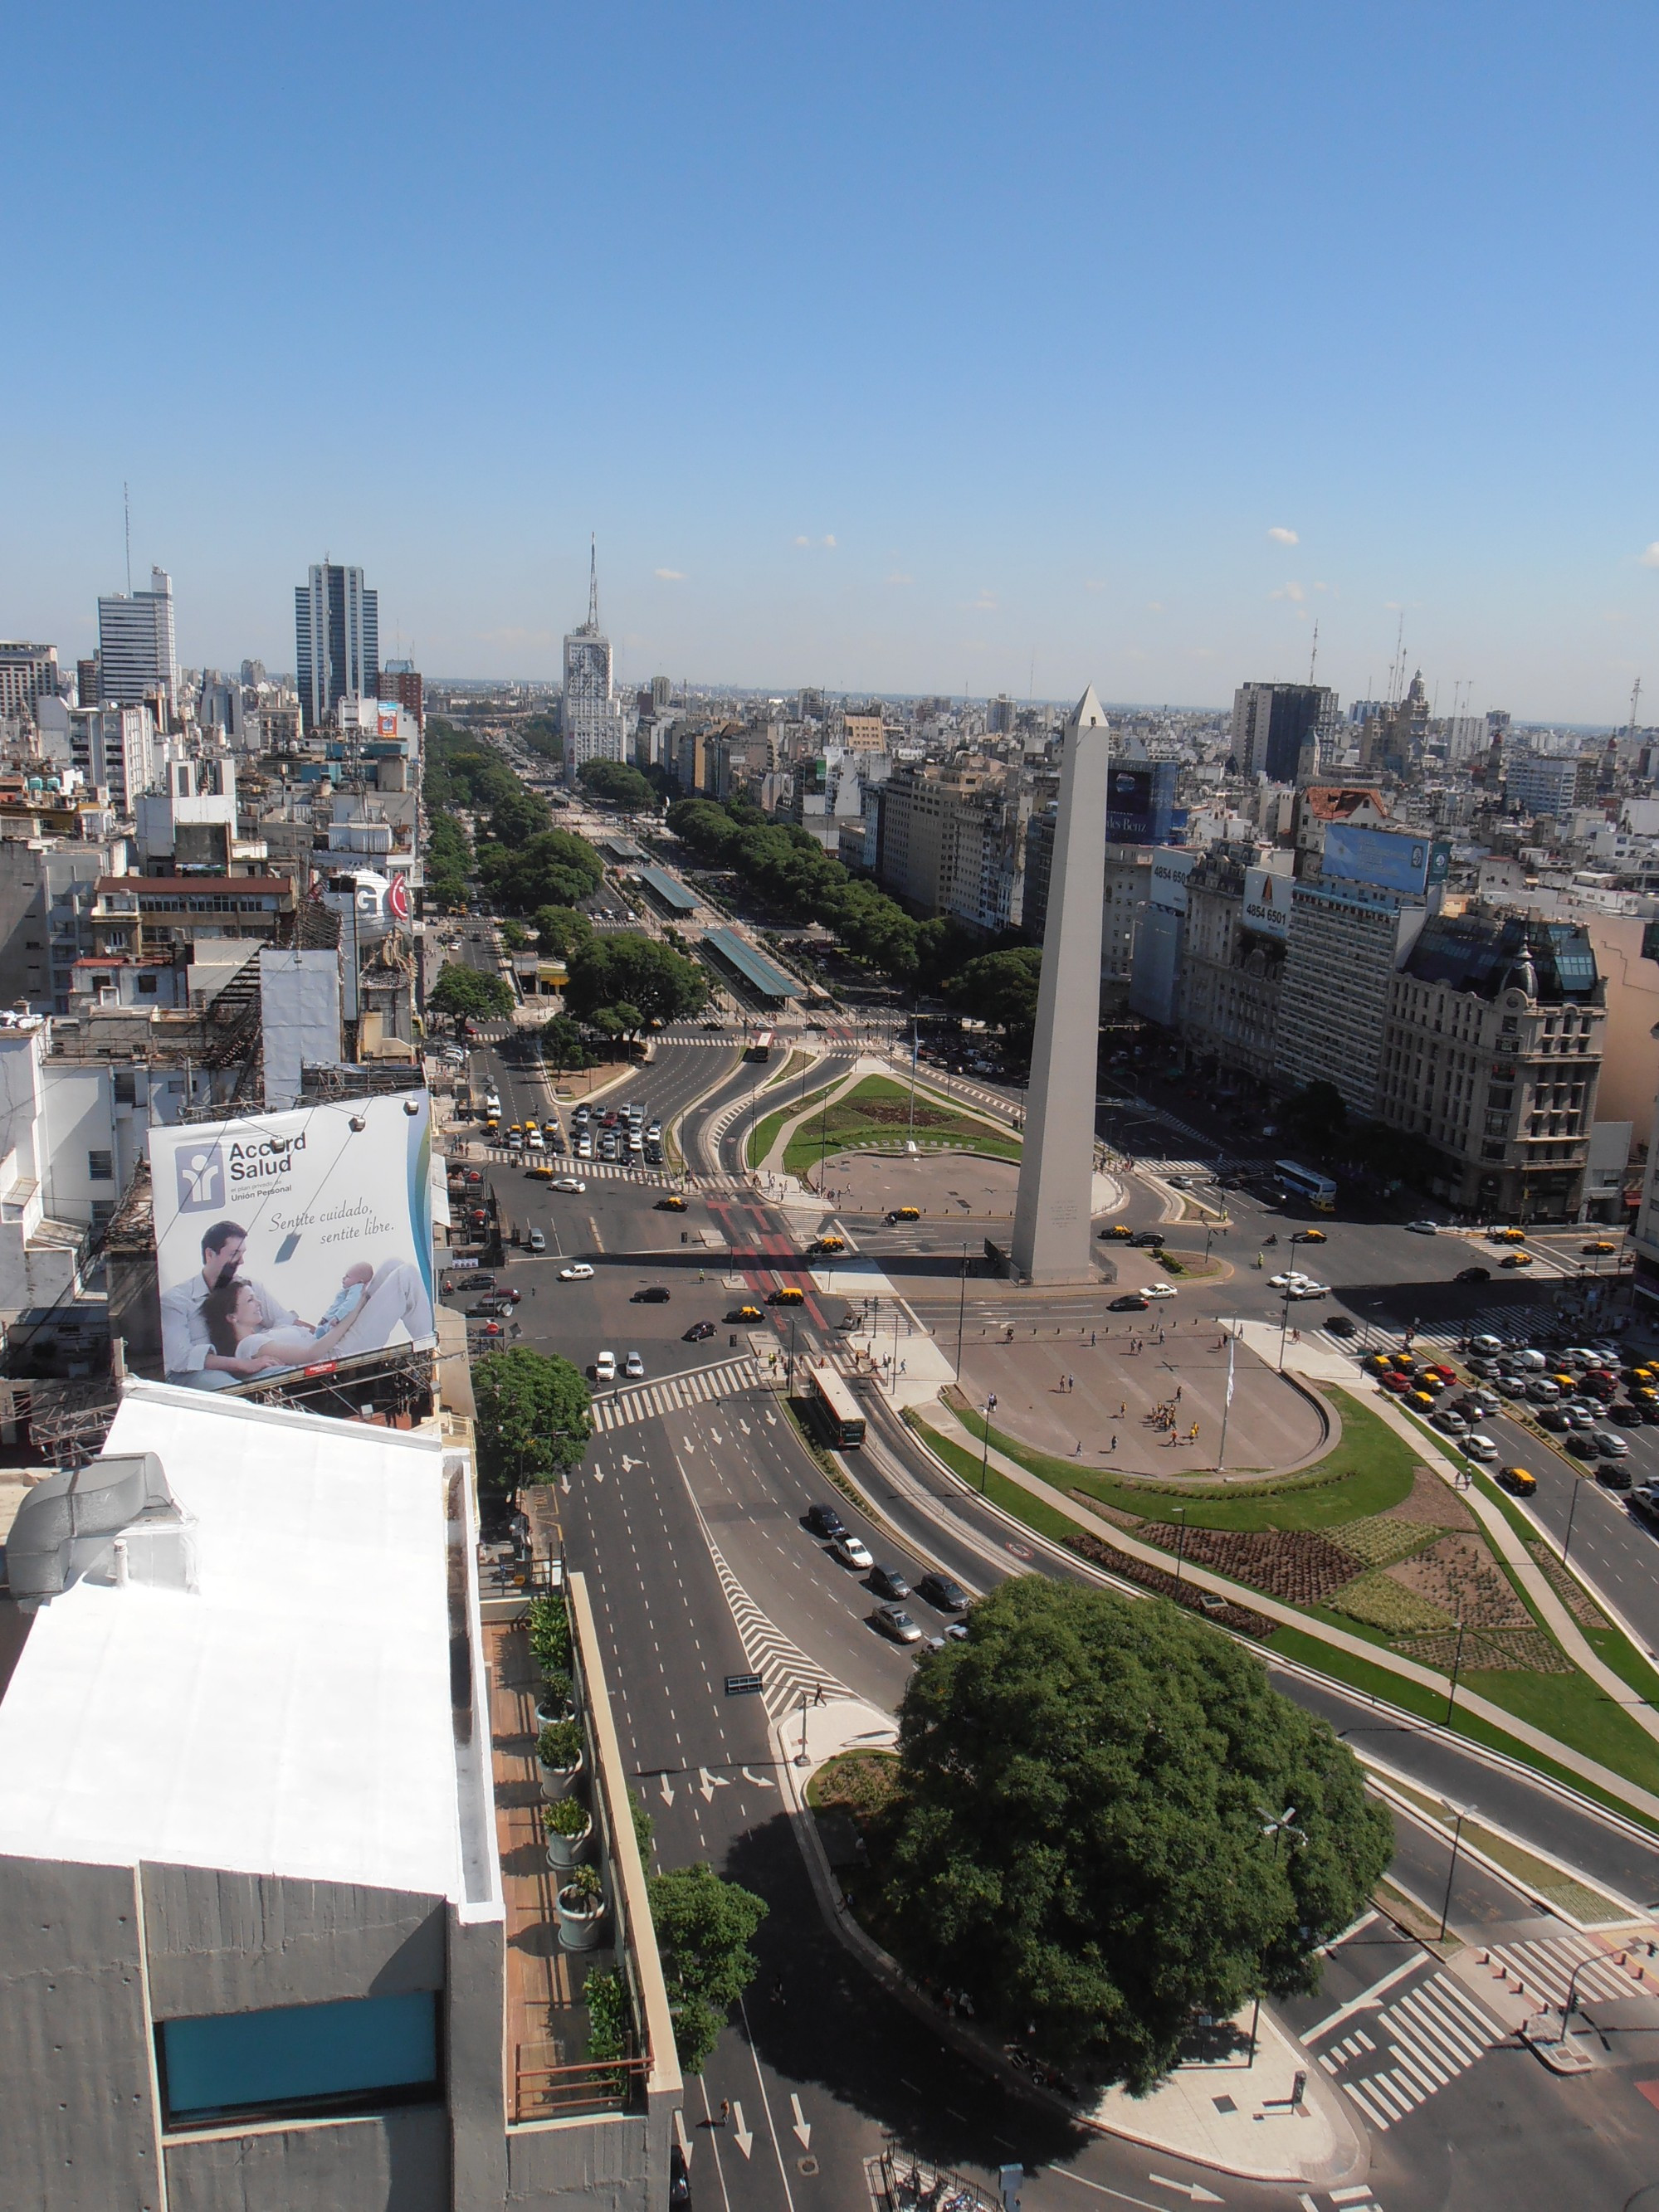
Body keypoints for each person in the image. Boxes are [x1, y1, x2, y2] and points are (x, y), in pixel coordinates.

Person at [161, 1219, 305, 1388]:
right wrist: (241, 1364)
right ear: (209, 1254)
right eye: (234, 1254)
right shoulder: (175, 1300)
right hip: (196, 1374)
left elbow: (285, 1321)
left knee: (288, 1375)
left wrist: (330, 1337)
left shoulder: (250, 1286)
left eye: (242, 1253)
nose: (241, 1261)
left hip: (248, 1367)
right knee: (232, 1390)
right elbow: (181, 1358)